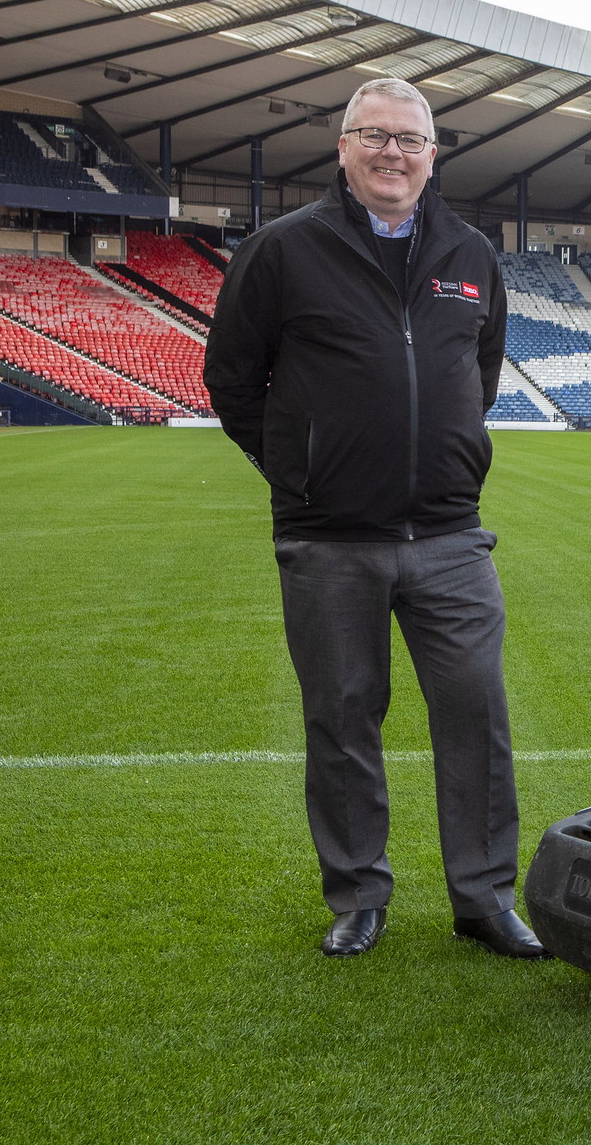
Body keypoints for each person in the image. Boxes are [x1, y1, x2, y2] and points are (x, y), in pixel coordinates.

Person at [205, 77, 546, 960]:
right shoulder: (283, 250)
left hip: (449, 536)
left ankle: (483, 898)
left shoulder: (470, 252)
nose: (393, 152)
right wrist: (302, 469)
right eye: (375, 136)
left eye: (410, 140)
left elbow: (481, 373)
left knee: (477, 715)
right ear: (344, 148)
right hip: (330, 541)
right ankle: (359, 894)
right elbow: (232, 380)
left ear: (434, 156)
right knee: (344, 718)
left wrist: (453, 458)